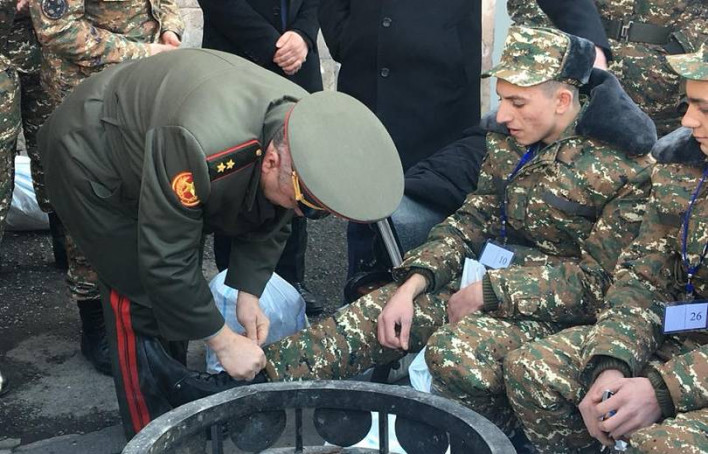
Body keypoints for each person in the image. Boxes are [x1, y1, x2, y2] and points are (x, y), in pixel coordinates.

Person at [263, 26, 656, 436]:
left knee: (456, 353)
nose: (502, 115)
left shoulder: (626, 169)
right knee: (376, 315)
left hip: (558, 314)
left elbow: (604, 282)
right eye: (502, 99)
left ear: (561, 100)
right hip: (485, 280)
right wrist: (414, 283)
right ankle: (257, 381)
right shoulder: (511, 140)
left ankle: (495, 438)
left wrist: (493, 291)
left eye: (517, 102)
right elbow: (474, 218)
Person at [37, 48, 404, 438]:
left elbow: (273, 214)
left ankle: (176, 395)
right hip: (93, 154)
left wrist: (249, 293)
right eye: (305, 205)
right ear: (271, 161)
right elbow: (166, 260)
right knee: (139, 294)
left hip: (160, 141)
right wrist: (222, 341)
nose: (303, 214)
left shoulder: (299, 129)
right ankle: (152, 432)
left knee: (177, 293)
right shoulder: (204, 149)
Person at [504, 43, 708, 453]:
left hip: (692, 372)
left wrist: (663, 389)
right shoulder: (683, 172)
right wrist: (612, 364)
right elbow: (643, 279)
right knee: (533, 368)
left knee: (662, 446)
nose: (687, 121)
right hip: (677, 338)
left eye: (703, 108)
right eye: (688, 104)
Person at [317, 0, 614, 279]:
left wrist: (591, 44)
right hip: (368, 80)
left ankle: (427, 292)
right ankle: (362, 293)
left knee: (434, 206)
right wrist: (347, 36)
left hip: (439, 89)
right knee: (366, 207)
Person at [27, 0, 184, 375]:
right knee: (90, 198)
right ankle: (94, 316)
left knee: (141, 192)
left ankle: (141, 301)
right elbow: (59, 29)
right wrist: (145, 52)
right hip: (85, 90)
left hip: (142, 84)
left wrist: (170, 28)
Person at [199, 0, 325, 315]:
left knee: (294, 177)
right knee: (237, 176)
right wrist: (274, 47)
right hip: (239, 64)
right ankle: (232, 286)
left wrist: (304, 35)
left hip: (298, 67)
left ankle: (289, 281)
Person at [508, 0, 707, 136]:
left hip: (669, 101)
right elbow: (529, 6)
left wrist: (675, 57)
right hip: (578, 88)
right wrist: (568, 49)